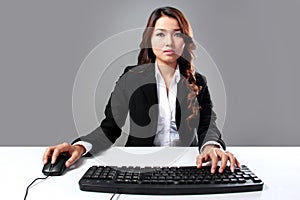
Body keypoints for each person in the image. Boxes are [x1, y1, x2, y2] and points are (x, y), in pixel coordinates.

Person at [43, 6, 241, 174]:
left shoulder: (198, 82)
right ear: (149, 39)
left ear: (185, 41)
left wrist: (211, 147)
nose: (169, 42)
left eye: (177, 34)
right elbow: (109, 128)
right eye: (160, 34)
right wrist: (79, 146)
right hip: (140, 165)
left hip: (188, 163)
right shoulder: (131, 79)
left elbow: (208, 125)